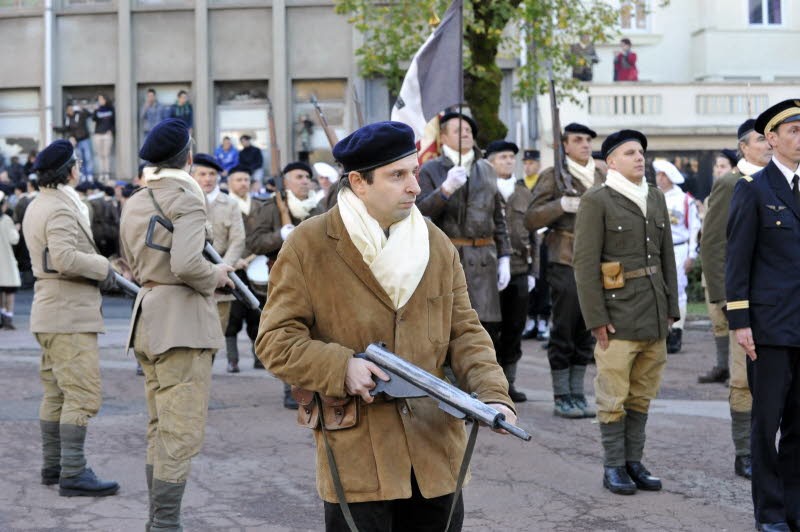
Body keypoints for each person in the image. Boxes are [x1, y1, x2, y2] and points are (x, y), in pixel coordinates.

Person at [255, 120, 516, 531]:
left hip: (434, 450)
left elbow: (465, 332)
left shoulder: (435, 242)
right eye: (398, 175)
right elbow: (275, 341)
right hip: (359, 456)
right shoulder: (309, 244)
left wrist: (493, 395)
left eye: (414, 171)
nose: (415, 186)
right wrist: (341, 366)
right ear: (358, 182)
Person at [120, 118, 234, 530]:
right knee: (180, 429)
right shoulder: (187, 195)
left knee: (159, 425)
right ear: (187, 157)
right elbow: (187, 264)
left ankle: (159, 521)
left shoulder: (137, 198)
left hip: (148, 315)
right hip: (181, 322)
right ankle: (165, 524)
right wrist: (216, 276)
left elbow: (136, 263)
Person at [573, 129, 679, 496]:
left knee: (642, 394)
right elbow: (584, 266)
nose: (639, 158)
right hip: (616, 315)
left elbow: (667, 257)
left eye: (641, 152)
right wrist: (596, 319)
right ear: (611, 162)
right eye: (630, 152)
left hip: (653, 311)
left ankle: (635, 461)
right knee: (613, 394)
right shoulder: (597, 200)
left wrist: (672, 309)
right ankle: (614, 465)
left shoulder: (654, 197)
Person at [22, 139, 120, 497]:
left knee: (56, 393)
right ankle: (74, 472)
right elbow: (63, 257)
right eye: (77, 163)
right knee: (82, 395)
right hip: (68, 314)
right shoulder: (61, 208)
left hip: (49, 310)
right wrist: (103, 265)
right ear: (70, 170)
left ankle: (54, 465)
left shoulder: (39, 203)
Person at [726, 99, 800, 531]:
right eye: (792, 130)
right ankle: (770, 513)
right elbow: (737, 261)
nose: (799, 137)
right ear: (771, 139)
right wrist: (740, 321)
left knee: (798, 428)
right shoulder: (752, 189)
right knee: (766, 425)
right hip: (769, 330)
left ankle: (794, 508)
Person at [700, 118, 771, 481]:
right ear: (743, 147)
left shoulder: (778, 181)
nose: (768, 144)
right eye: (761, 139)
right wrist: (726, 300)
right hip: (744, 300)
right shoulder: (731, 183)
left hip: (778, 300)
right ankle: (745, 452)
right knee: (743, 379)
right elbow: (712, 245)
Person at [525, 122, 604, 418]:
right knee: (565, 325)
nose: (585, 144)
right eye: (578, 140)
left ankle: (578, 393)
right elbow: (531, 219)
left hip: (595, 260)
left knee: (588, 326)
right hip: (565, 257)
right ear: (565, 146)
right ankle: (562, 395)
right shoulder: (553, 176)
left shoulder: (600, 175)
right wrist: (560, 205)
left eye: (588, 140)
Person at [416, 112, 512, 353]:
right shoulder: (431, 169)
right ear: (444, 136)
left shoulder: (487, 169)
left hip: (484, 258)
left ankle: (485, 387)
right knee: (451, 327)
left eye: (469, 129)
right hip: (450, 256)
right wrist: (445, 190)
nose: (466, 133)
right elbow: (418, 213)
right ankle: (453, 387)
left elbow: (497, 216)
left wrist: (505, 257)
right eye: (458, 130)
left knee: (486, 330)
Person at [486, 140, 534, 402]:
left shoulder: (523, 192)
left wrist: (533, 271)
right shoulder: (484, 189)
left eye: (510, 157)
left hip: (518, 269)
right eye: (502, 157)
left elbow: (533, 232)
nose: (508, 161)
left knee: (515, 328)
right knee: (489, 329)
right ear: (490, 162)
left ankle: (508, 383)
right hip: (488, 271)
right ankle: (489, 386)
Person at [191, 153, 246, 350]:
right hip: (193, 277)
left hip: (222, 280)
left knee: (216, 334)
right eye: (202, 174)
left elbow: (238, 239)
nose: (207, 178)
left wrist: (223, 268)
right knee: (192, 335)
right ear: (194, 175)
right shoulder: (187, 201)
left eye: (212, 174)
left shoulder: (230, 203)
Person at [652, 158, 699, 354]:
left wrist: (691, 254)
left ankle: (676, 332)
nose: (659, 179)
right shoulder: (652, 197)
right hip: (656, 250)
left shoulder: (685, 200)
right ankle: (661, 330)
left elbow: (694, 228)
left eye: (663, 175)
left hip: (678, 249)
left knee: (678, 289)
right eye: (658, 175)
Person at [223, 166, 265, 374]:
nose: (243, 183)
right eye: (239, 179)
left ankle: (259, 357)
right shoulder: (223, 205)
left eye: (246, 179)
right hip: (232, 267)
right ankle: (232, 359)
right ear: (230, 182)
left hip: (257, 266)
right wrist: (234, 260)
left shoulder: (259, 205)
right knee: (232, 316)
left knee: (257, 313)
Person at [54, 104, 93, 181]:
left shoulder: (80, 114)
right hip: (77, 142)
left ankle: (90, 175)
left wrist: (83, 109)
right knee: (80, 160)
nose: (70, 111)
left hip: (85, 140)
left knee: (88, 158)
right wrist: (55, 128)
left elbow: (89, 114)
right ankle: (83, 175)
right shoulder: (68, 119)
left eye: (71, 109)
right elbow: (65, 128)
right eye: (68, 110)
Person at [0, 190, 21, 329]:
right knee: (9, 290)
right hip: (5, 261)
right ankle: (7, 318)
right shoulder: (6, 220)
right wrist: (17, 229)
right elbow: (14, 240)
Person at [91, 94, 115, 181]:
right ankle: (101, 174)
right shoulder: (98, 110)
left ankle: (107, 174)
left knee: (106, 155)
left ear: (105, 99)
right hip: (98, 134)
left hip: (107, 135)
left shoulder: (110, 109)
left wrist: (111, 130)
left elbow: (114, 121)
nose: (100, 101)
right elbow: (93, 119)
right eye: (99, 99)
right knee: (100, 155)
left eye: (101, 99)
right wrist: (95, 110)